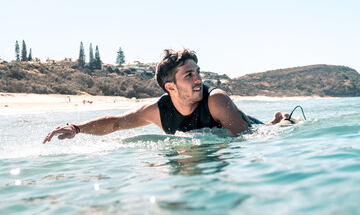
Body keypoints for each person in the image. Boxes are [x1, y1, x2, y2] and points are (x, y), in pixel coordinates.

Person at [43, 49, 283, 144]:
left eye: (198, 72)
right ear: (171, 87)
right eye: (189, 75)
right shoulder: (158, 111)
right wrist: (76, 128)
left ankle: (279, 121)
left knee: (277, 127)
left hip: (252, 128)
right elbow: (117, 122)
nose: (199, 79)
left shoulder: (216, 99)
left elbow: (247, 140)